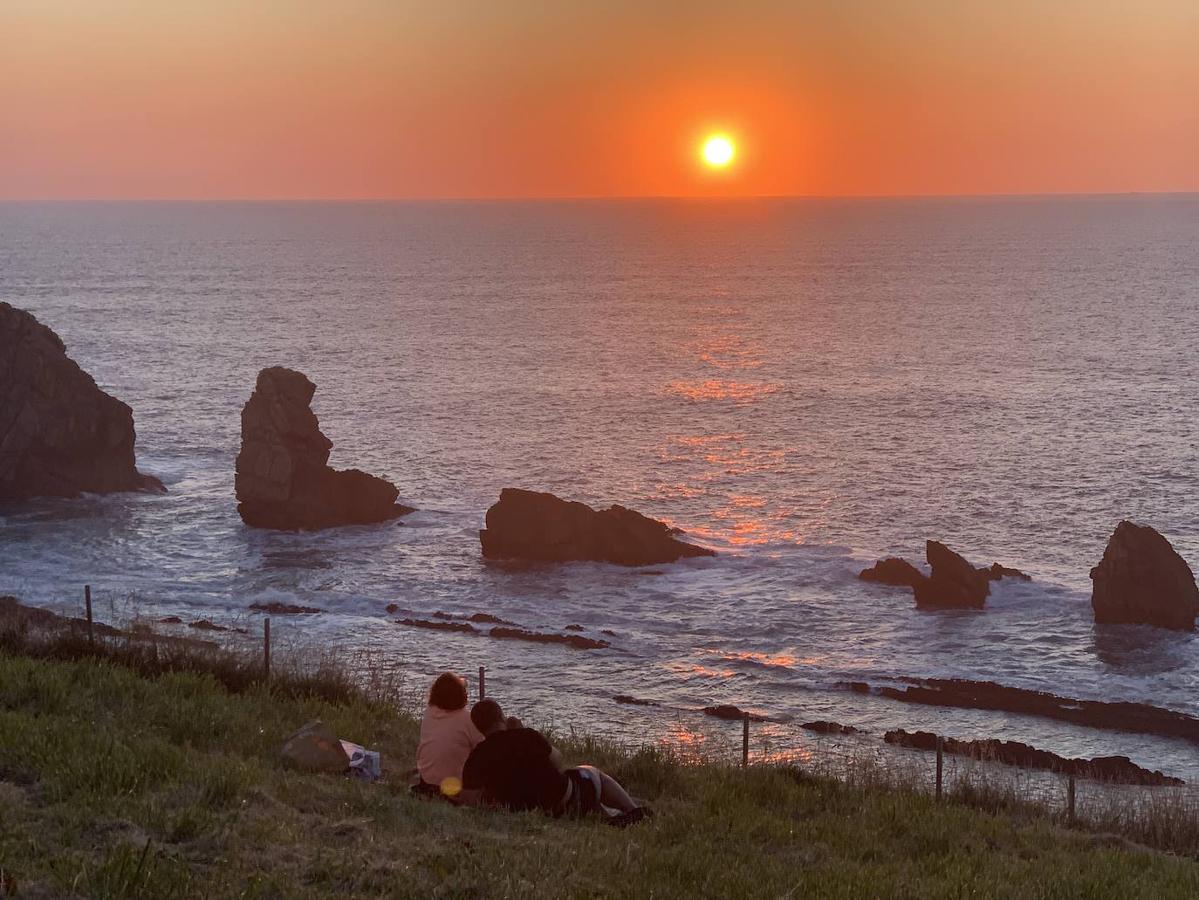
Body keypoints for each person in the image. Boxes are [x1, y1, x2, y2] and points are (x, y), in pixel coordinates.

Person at [459, 698, 650, 826]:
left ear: (478, 728)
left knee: (589, 802)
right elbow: (558, 761)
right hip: (563, 799)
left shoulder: (476, 757)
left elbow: (468, 798)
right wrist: (521, 730)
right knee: (589, 772)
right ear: (501, 716)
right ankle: (633, 811)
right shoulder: (525, 736)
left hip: (526, 811)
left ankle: (609, 820)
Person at [415, 672, 484, 797]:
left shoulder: (429, 713)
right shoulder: (467, 719)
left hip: (426, 782)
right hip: (454, 788)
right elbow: (484, 748)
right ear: (460, 696)